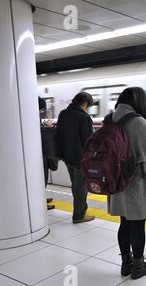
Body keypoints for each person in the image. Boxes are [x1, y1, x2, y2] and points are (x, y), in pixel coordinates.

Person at [108, 87, 146, 280]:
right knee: (138, 223)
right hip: (135, 179)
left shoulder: (110, 119)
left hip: (116, 179)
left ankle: (126, 263)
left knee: (124, 222)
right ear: (139, 102)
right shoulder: (138, 121)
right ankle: (139, 266)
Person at [56, 92, 95, 224]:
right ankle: (79, 215)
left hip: (67, 157)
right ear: (85, 104)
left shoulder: (63, 114)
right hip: (81, 159)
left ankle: (80, 210)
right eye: (88, 106)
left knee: (76, 185)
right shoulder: (83, 117)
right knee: (80, 187)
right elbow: (88, 141)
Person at [39, 97, 55, 210]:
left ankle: (41, 197)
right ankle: (40, 202)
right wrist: (48, 128)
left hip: (39, 153)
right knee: (41, 178)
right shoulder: (32, 116)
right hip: (39, 154)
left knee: (42, 178)